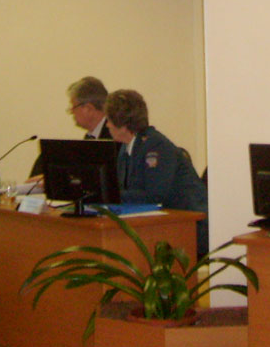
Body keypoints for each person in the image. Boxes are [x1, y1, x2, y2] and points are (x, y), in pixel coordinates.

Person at [105, 89, 209, 257]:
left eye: (109, 120)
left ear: (122, 123)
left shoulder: (155, 146)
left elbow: (154, 195)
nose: (107, 125)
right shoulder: (126, 148)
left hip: (190, 227)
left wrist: (110, 195)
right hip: (161, 225)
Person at [28, 76, 111, 178]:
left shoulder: (113, 137)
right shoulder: (91, 137)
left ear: (88, 109)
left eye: (73, 107)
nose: (71, 112)